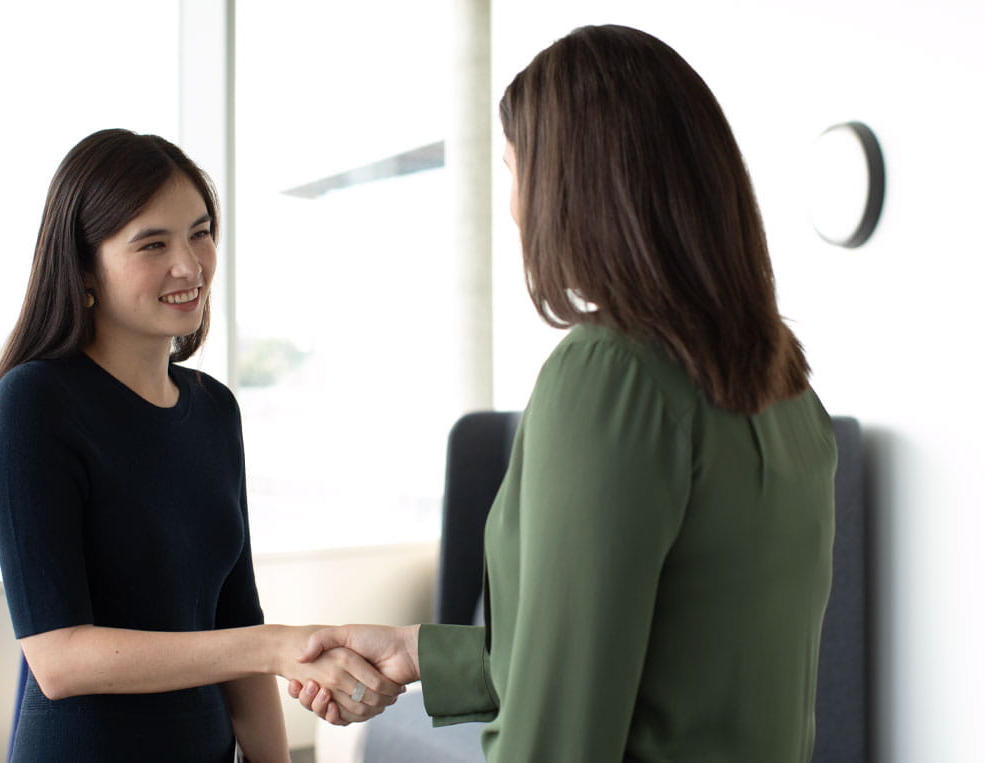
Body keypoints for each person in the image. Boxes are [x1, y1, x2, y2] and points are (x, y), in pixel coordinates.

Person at [288, 25, 837, 761]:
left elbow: (560, 736)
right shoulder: (786, 384)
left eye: (514, 170)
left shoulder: (610, 377)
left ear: (570, 186)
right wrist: (421, 649)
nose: (513, 206)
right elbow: (661, 653)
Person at [0, 129, 402, 762]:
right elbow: (58, 658)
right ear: (84, 265)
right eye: (153, 243)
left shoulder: (215, 409)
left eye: (200, 233)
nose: (190, 265)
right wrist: (274, 645)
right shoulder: (36, 401)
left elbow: (237, 619)